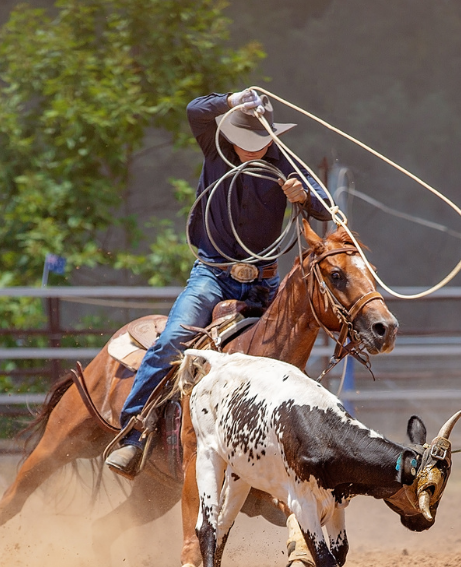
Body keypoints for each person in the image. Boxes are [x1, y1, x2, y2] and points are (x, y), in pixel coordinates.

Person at [106, 88, 331, 479]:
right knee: (173, 339)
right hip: (212, 274)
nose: (251, 150)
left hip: (264, 281)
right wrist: (231, 99)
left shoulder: (285, 164)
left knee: (291, 355)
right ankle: (135, 432)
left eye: (259, 142)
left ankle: (299, 445)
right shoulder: (217, 149)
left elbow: (328, 206)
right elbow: (195, 109)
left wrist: (304, 196)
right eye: (245, 142)